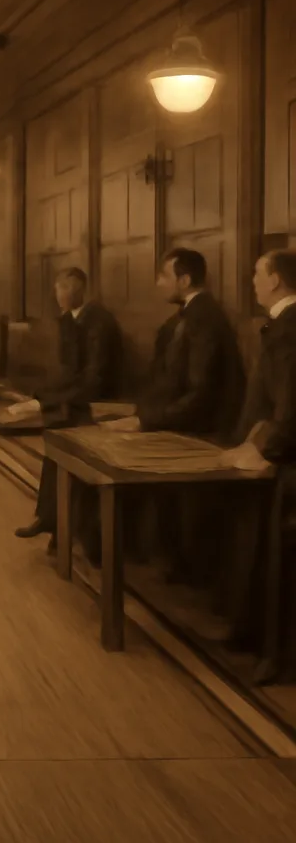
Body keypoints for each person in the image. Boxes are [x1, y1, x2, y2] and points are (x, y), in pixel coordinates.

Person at [105, 247, 246, 582]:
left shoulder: (203, 319)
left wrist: (147, 421)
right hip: (185, 421)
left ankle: (170, 565)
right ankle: (140, 554)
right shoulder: (189, 315)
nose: (158, 282)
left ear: (184, 280)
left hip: (205, 430)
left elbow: (201, 393)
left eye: (163, 276)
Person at [220, 249, 296, 682]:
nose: (251, 281)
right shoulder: (281, 325)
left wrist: (264, 451)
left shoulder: (290, 329)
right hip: (277, 454)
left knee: (275, 558)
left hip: (287, 467)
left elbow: (291, 409)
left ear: (277, 281)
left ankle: (274, 655)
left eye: (257, 274)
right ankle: (250, 635)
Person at [13, 268, 123, 551]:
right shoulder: (68, 320)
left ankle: (63, 529)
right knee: (55, 441)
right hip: (77, 399)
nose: (58, 294)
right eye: (57, 288)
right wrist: (40, 397)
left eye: (63, 288)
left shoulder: (99, 322)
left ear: (79, 290)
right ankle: (51, 522)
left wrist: (44, 402)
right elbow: (65, 373)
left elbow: (95, 378)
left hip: (98, 404)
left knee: (64, 437)